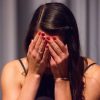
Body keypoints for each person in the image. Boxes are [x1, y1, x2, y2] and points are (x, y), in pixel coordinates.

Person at [1, 2, 100, 100]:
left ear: (69, 44)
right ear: (32, 41)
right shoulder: (13, 71)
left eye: (54, 47)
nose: (47, 54)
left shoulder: (93, 76)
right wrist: (33, 75)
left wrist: (61, 79)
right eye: (41, 45)